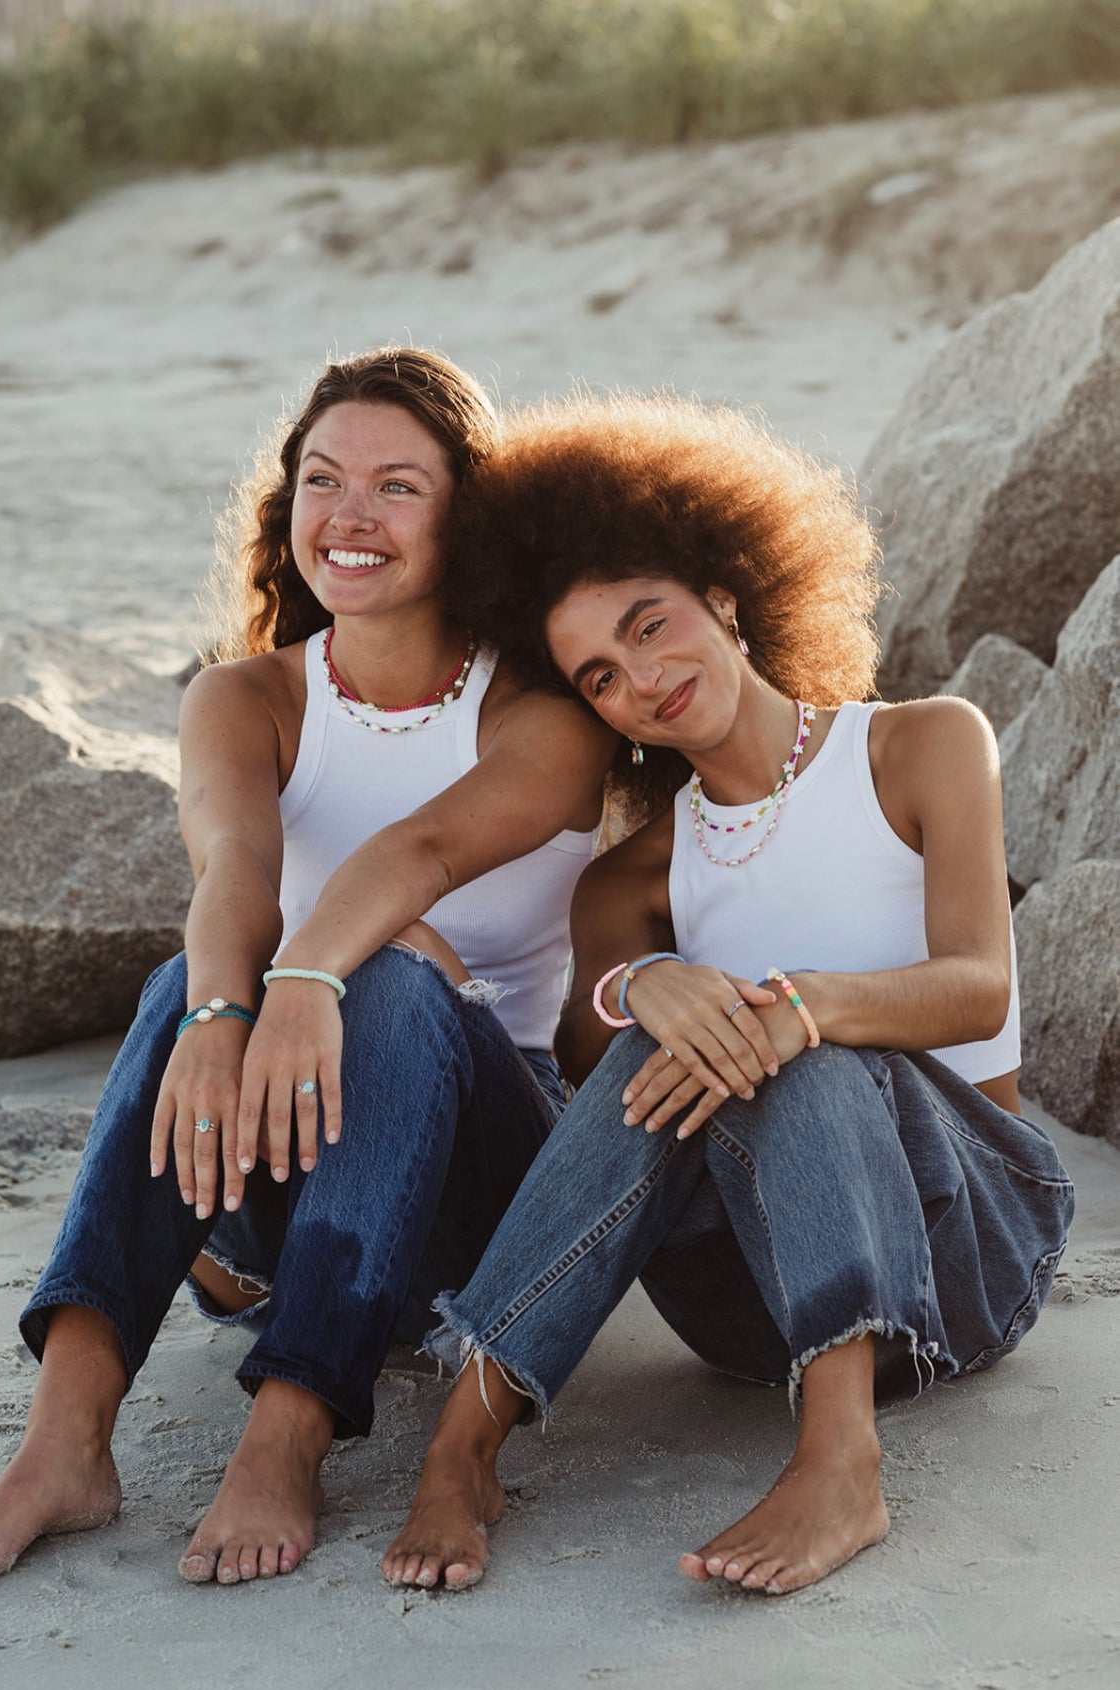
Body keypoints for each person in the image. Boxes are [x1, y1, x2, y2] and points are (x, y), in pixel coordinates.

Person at [0, 348, 615, 1595]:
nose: (351, 515)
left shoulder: (543, 713)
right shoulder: (247, 697)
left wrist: (308, 980)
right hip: (280, 1177)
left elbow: (421, 851)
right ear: (286, 510)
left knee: (389, 970)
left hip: (478, 1201)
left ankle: (291, 1425)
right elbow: (231, 868)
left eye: (399, 486)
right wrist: (240, 999)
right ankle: (63, 1443)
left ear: (471, 513)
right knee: (188, 985)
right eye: (323, 479)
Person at [383, 393, 1075, 1597]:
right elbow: (607, 1102)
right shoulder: (632, 879)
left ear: (729, 598)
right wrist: (644, 981)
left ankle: (840, 1457)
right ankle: (469, 1440)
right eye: (600, 673)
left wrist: (794, 1006)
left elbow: (975, 987)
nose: (641, 680)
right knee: (684, 1047)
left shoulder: (919, 746)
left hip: (967, 1259)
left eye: (651, 626)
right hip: (750, 1313)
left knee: (778, 1035)